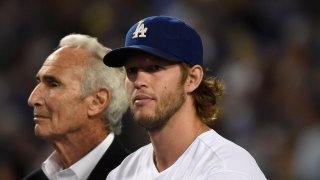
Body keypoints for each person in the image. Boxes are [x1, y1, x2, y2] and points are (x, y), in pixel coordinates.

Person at [103, 16, 267, 179]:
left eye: (154, 68)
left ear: (192, 78)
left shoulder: (228, 171)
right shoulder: (122, 174)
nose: (138, 81)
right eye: (131, 70)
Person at [23, 34, 130, 180]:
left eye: (53, 84)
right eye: (38, 83)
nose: (33, 99)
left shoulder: (136, 175)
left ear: (97, 101)